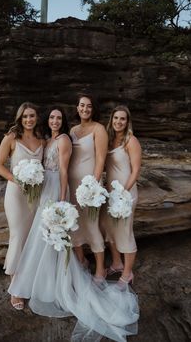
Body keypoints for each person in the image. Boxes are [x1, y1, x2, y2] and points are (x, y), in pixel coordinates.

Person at [8, 106, 139, 342]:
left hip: (56, 189)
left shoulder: (65, 140)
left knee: (51, 234)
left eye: (59, 117)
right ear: (47, 121)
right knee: (40, 237)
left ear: (63, 121)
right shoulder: (49, 139)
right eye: (52, 117)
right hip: (44, 189)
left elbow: (64, 171)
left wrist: (60, 198)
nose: (55, 120)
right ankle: (37, 279)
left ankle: (53, 282)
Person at [0, 101, 44, 309]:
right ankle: (15, 286)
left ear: (36, 118)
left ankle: (27, 277)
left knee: (31, 236)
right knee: (17, 235)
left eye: (32, 116)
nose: (29, 120)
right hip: (16, 193)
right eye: (25, 116)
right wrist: (18, 180)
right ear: (20, 118)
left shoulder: (42, 139)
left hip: (36, 196)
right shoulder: (11, 138)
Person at [68, 93, 108, 279]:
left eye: (89, 106)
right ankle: (82, 260)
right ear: (77, 108)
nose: (85, 109)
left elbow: (100, 159)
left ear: (93, 109)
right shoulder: (72, 130)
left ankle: (101, 268)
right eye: (82, 105)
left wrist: (93, 184)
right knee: (73, 223)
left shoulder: (99, 129)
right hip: (71, 184)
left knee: (92, 225)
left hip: (89, 186)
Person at [100, 105, 142, 285]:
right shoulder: (108, 140)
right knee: (107, 227)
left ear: (127, 122)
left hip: (125, 193)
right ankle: (116, 263)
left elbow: (136, 170)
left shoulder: (131, 141)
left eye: (122, 119)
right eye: (116, 118)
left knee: (125, 231)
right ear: (112, 120)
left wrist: (124, 192)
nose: (118, 121)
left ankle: (127, 273)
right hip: (110, 192)